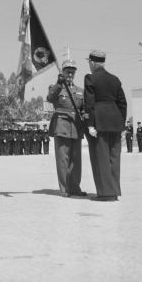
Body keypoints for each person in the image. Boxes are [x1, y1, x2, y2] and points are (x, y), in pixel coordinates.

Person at [84, 51, 127, 202]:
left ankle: (105, 193)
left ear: (93, 62)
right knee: (114, 158)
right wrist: (122, 125)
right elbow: (122, 103)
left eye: (89, 62)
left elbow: (89, 104)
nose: (88, 65)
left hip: (100, 122)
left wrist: (90, 125)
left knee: (101, 158)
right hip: (115, 122)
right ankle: (114, 191)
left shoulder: (90, 78)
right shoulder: (115, 79)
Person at [47, 59, 86, 197]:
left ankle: (75, 188)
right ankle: (64, 189)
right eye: (67, 71)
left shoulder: (80, 91)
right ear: (62, 72)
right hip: (61, 126)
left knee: (76, 160)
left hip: (76, 126)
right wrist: (59, 83)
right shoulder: (56, 88)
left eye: (72, 72)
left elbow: (83, 109)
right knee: (63, 159)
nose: (70, 74)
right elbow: (50, 98)